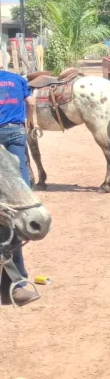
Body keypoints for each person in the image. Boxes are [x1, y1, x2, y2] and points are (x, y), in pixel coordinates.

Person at [0, 70, 38, 306]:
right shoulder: (17, 79)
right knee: (18, 203)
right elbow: (31, 102)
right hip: (16, 132)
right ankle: (17, 284)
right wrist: (30, 123)